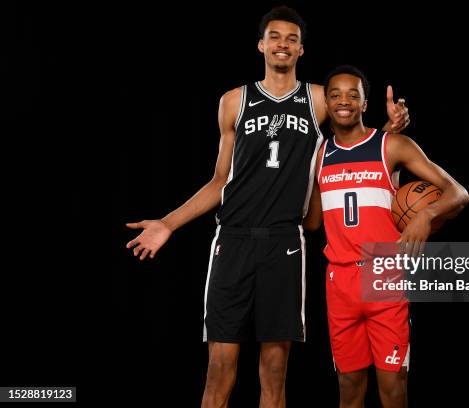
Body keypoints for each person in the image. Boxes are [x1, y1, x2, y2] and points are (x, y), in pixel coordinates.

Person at [125, 7, 410, 408]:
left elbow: (354, 130)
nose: (282, 44)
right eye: (275, 37)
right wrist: (169, 224)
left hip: (284, 242)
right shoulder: (233, 102)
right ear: (261, 45)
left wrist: (390, 129)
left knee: (274, 372)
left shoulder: (317, 99)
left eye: (291, 39)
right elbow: (219, 181)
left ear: (301, 49)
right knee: (220, 370)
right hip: (233, 239)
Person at [303, 65, 469, 408]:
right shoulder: (318, 155)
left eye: (353, 95)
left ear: (365, 103)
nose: (343, 101)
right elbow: (313, 223)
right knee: (349, 388)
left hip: (385, 276)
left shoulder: (392, 146)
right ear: (326, 103)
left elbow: (458, 193)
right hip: (340, 282)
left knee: (393, 388)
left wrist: (425, 214)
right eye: (335, 95)